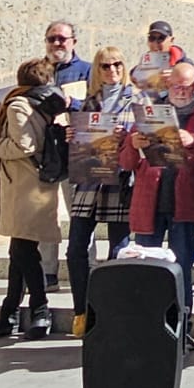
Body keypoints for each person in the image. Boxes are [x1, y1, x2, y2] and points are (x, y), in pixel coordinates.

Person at [119, 59, 194, 346]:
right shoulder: (148, 114)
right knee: (146, 270)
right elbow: (126, 163)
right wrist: (133, 145)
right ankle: (149, 329)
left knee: (181, 271)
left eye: (186, 86)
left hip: (183, 206)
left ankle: (182, 330)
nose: (180, 91)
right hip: (149, 203)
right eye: (175, 85)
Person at [0, 57, 67, 340]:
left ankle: (39, 308)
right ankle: (10, 312)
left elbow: (25, 144)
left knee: (23, 251)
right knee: (19, 250)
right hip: (39, 185)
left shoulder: (19, 105)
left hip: (23, 185)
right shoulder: (47, 104)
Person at [65, 43, 138, 336]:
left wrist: (127, 134)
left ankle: (115, 312)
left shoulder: (135, 99)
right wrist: (72, 134)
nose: (112, 71)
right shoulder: (89, 101)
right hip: (90, 177)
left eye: (118, 64)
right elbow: (81, 137)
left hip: (119, 179)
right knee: (75, 249)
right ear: (97, 69)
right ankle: (82, 310)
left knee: (119, 250)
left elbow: (144, 132)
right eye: (106, 66)